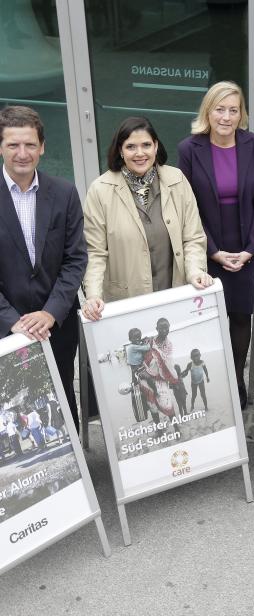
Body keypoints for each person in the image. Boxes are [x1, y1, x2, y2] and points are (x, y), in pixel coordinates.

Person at [178, 81, 254, 410]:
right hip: (207, 245)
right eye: (220, 109)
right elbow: (186, 206)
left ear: (241, 113)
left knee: (241, 316)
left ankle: (236, 380)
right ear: (208, 111)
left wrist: (250, 249)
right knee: (209, 317)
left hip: (246, 246)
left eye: (233, 110)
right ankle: (214, 382)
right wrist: (212, 250)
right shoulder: (189, 149)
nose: (226, 117)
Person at [0, 106, 87, 429]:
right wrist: (13, 321)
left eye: (30, 145)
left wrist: (50, 312)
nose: (22, 153)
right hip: (5, 325)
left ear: (43, 147)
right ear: (1, 147)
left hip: (57, 323)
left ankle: (79, 474)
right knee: (13, 404)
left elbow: (76, 258)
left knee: (62, 396)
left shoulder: (64, 193)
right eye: (13, 145)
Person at [82, 116, 210, 320]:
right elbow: (95, 252)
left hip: (174, 295)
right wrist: (93, 295)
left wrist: (195, 272)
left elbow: (193, 237)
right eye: (131, 146)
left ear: (156, 146)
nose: (140, 153)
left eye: (146, 145)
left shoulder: (177, 180)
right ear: (120, 151)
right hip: (127, 302)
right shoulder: (100, 191)